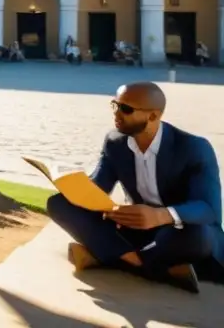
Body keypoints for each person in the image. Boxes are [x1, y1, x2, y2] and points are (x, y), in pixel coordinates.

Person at [47, 82, 224, 293]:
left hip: (177, 231)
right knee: (58, 203)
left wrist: (161, 216)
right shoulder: (115, 142)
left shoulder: (194, 148)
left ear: (153, 116)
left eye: (126, 109)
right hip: (135, 228)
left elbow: (209, 209)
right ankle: (145, 265)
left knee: (198, 234)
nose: (117, 114)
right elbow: (99, 186)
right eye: (115, 105)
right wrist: (73, 186)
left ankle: (108, 258)